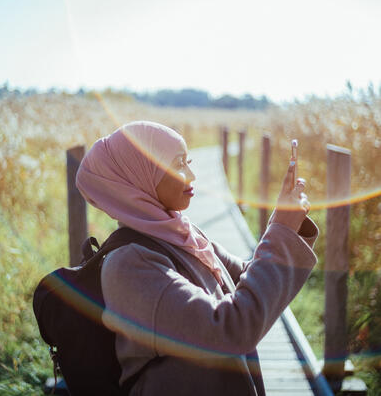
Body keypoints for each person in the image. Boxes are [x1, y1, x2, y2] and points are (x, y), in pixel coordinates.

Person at [76, 120, 318, 396]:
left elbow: (242, 279)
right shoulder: (131, 265)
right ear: (141, 176)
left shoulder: (181, 233)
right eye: (178, 164)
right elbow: (230, 329)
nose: (192, 175)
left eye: (188, 161)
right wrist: (281, 231)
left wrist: (284, 224)